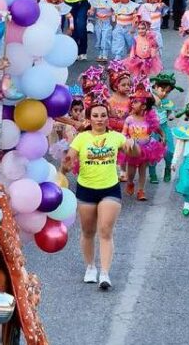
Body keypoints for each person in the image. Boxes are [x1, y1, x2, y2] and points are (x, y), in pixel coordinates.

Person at [62, 101, 140, 291]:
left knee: (105, 230)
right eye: (95, 115)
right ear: (89, 118)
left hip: (110, 189)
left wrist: (132, 144)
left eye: (103, 115)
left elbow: (136, 153)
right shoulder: (81, 138)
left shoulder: (116, 137)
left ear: (108, 117)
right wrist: (66, 165)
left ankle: (105, 273)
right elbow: (68, 161)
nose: (99, 119)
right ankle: (90, 267)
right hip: (86, 189)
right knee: (88, 231)